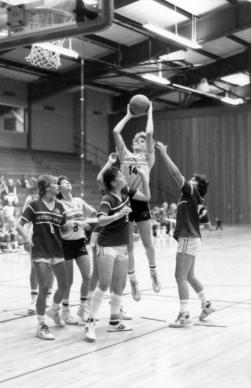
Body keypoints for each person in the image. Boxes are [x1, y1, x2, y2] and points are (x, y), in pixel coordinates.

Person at [84, 165, 150, 342]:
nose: (123, 175)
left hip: (122, 246)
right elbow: (100, 219)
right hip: (107, 245)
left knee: (118, 286)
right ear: (113, 181)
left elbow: (147, 197)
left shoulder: (126, 192)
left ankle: (114, 321)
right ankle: (90, 322)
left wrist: (143, 176)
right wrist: (118, 215)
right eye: (120, 174)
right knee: (104, 283)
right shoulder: (108, 198)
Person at [156, 141, 215, 327]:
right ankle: (206, 304)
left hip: (188, 238)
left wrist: (164, 154)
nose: (188, 179)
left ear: (196, 185)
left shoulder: (190, 192)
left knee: (179, 277)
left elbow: (175, 174)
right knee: (189, 276)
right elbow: (207, 223)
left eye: (192, 178)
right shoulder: (195, 198)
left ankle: (184, 316)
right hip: (193, 238)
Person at [113, 102, 161, 301]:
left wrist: (149, 112)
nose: (138, 139)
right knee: (129, 246)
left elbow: (149, 134)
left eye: (140, 139)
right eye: (136, 138)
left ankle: (153, 272)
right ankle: (133, 281)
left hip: (141, 201)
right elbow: (116, 131)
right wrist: (128, 116)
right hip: (125, 201)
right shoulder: (125, 155)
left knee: (148, 243)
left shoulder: (148, 158)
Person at [18, 174, 68, 340]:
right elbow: (19, 224)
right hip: (40, 251)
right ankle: (41, 325)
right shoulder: (34, 205)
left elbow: (64, 228)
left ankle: (54, 310)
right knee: (44, 288)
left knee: (64, 286)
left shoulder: (60, 206)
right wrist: (26, 237)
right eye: (55, 184)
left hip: (57, 250)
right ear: (46, 188)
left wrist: (78, 225)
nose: (58, 186)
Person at [57, 175, 97, 324]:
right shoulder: (59, 204)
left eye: (68, 182)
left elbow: (93, 213)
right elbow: (60, 224)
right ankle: (65, 312)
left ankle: (82, 308)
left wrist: (88, 221)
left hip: (80, 242)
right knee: (68, 281)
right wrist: (78, 222)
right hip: (65, 244)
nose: (67, 184)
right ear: (59, 188)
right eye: (63, 183)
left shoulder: (79, 201)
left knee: (88, 276)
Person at [22, 184, 54, 314]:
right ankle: (34, 298)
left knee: (51, 267)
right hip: (35, 237)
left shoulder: (56, 202)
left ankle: (48, 297)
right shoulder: (32, 201)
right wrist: (25, 238)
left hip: (52, 238)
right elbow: (24, 221)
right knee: (34, 268)